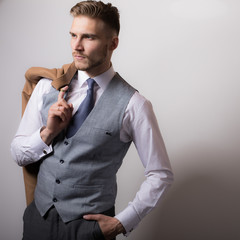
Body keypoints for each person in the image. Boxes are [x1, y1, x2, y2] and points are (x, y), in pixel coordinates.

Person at [11, 1, 173, 239]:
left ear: (113, 43)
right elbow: (17, 154)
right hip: (38, 220)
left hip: (89, 229)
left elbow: (161, 173)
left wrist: (122, 222)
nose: (77, 46)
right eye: (73, 35)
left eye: (88, 37)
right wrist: (47, 133)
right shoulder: (48, 87)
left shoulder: (134, 105)